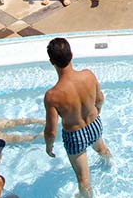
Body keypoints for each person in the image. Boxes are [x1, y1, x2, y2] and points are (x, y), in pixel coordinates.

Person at [44, 38, 111, 198]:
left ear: (51, 61)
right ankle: (110, 165)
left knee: (83, 179)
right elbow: (100, 99)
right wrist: (97, 112)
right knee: (101, 149)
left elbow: (51, 131)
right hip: (94, 124)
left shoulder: (52, 96)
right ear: (71, 55)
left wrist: (49, 146)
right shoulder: (88, 75)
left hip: (74, 135)